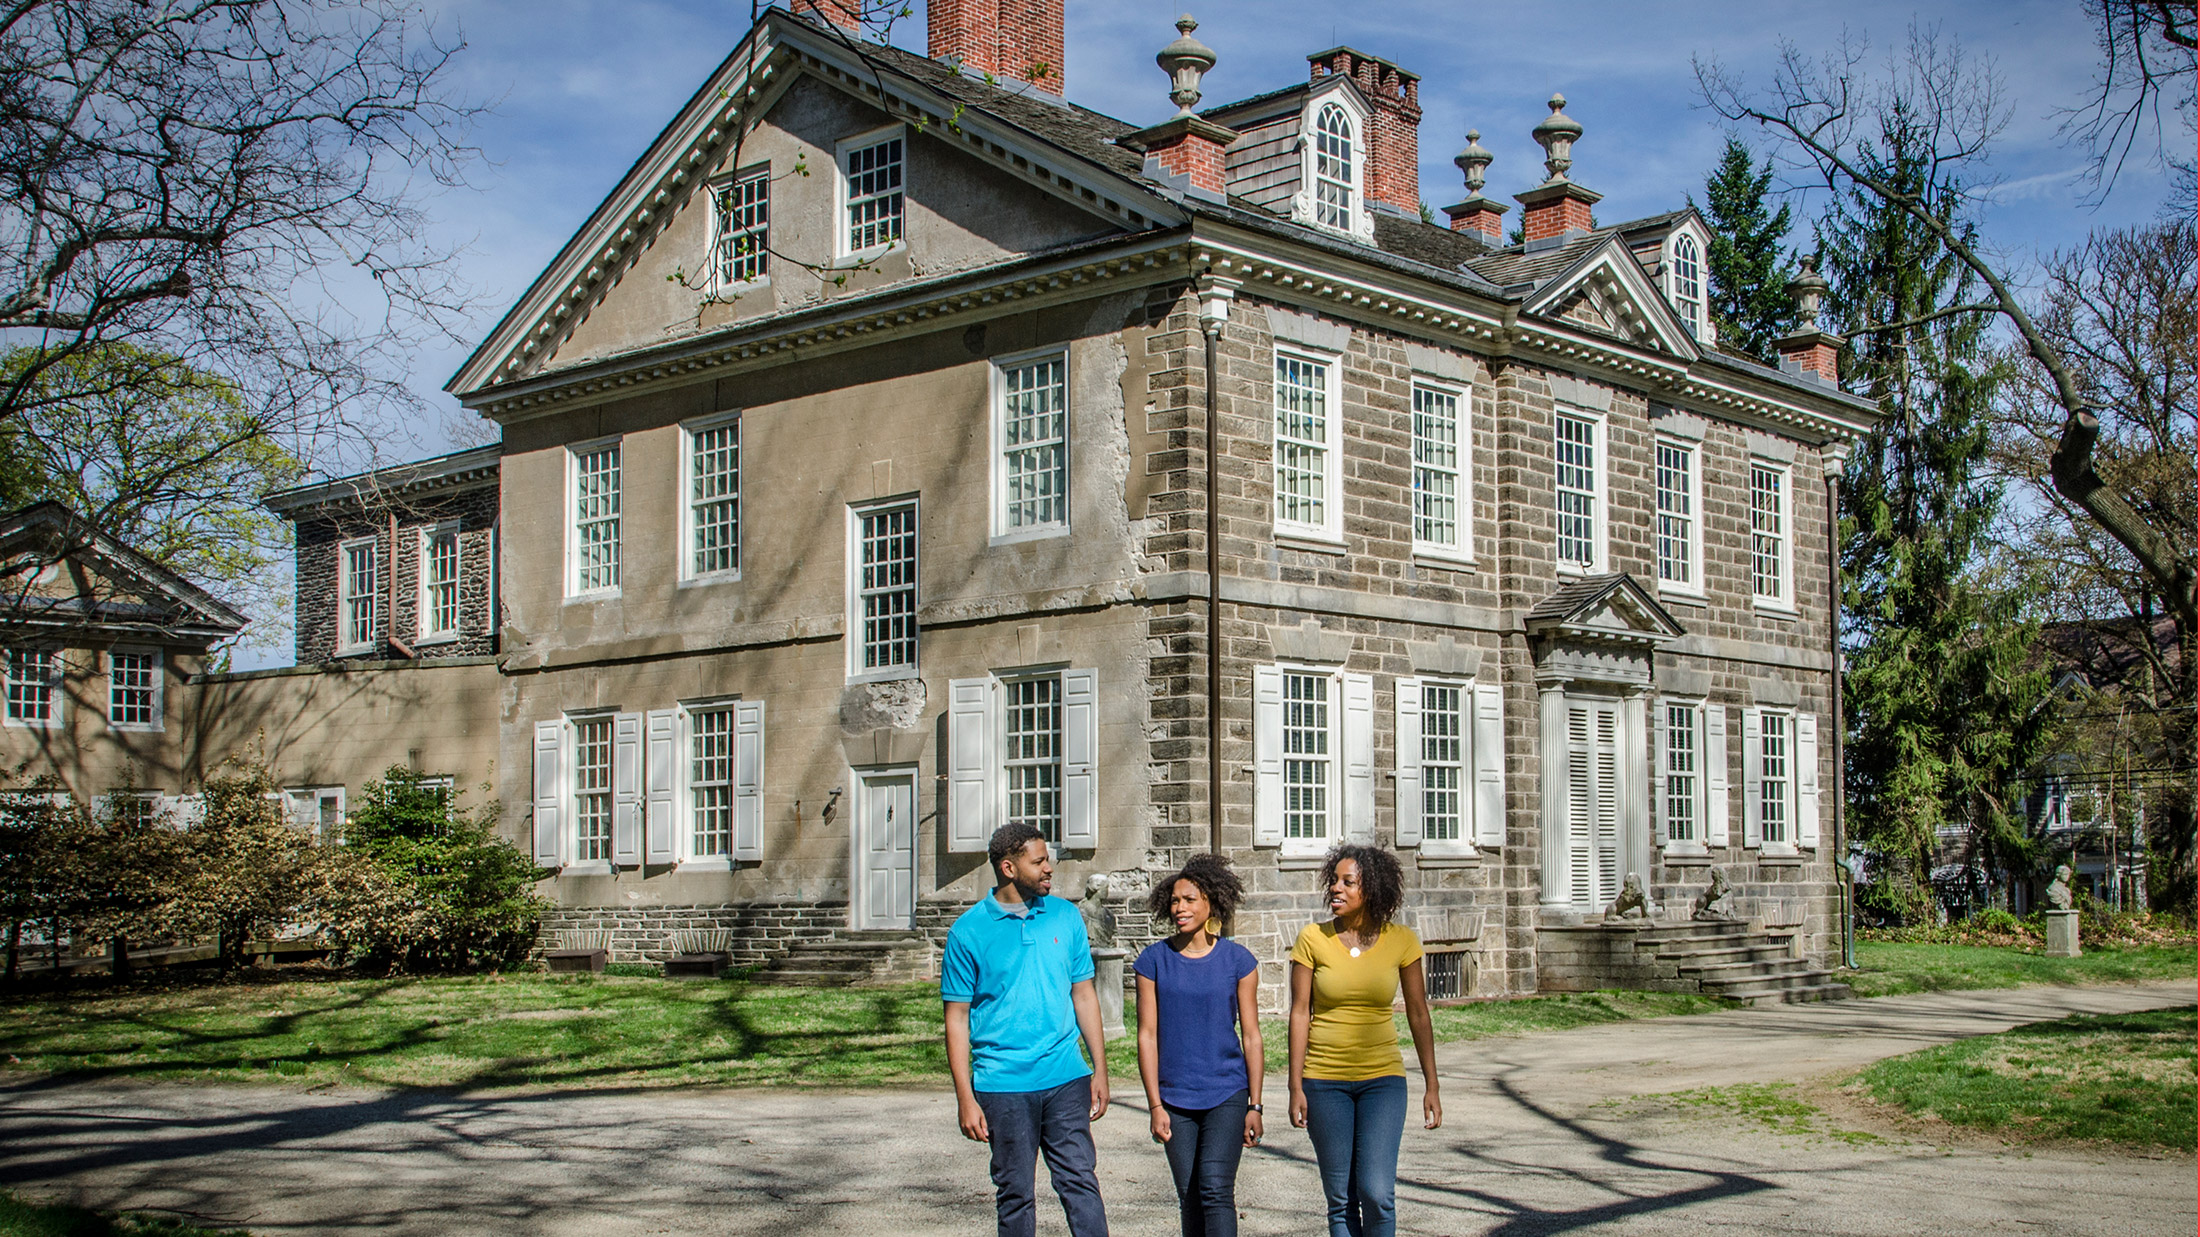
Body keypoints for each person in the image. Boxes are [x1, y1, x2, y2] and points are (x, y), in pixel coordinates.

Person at [942, 822, 1112, 1237]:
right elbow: (957, 1019)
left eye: (1048, 859)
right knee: (1015, 1194)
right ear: (1008, 867)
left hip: (1066, 1077)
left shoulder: (1066, 916)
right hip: (1002, 1085)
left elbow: (1084, 995)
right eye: (1038, 862)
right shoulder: (967, 932)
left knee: (1080, 1183)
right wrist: (965, 1097)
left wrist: (1099, 1070)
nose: (1049, 868)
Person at [1287, 843, 1440, 1237]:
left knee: (1376, 1192)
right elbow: (1300, 1012)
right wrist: (1295, 1086)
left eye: (1347, 882)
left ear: (1371, 889)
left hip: (1383, 1081)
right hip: (1323, 1082)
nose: (1336, 888)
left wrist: (1432, 1085)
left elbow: (1419, 1013)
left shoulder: (1402, 940)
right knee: (1341, 1199)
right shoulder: (1311, 939)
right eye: (1334, 881)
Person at [1134, 854, 1264, 1237]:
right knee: (1189, 1194)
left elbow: (1252, 1036)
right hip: (1174, 1098)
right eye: (1175, 900)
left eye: (1190, 899)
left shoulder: (1239, 960)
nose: (1180, 908)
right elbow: (1146, 1035)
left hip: (1227, 1092)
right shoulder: (1153, 961)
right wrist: (1155, 1104)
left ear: (1210, 902)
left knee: (1214, 1187)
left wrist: (1255, 1104)